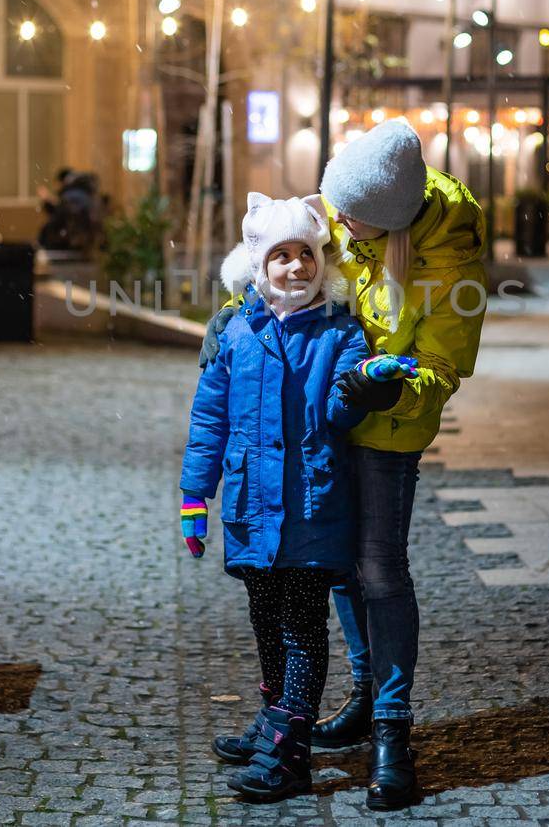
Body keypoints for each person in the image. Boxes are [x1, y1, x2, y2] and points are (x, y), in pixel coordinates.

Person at [199, 119, 489, 810]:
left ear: (386, 222)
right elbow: (280, 248)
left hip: (387, 425)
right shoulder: (350, 194)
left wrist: (396, 385)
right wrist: (236, 308)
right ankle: (350, 698)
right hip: (318, 415)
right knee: (333, 563)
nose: (337, 222)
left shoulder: (448, 253)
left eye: (348, 218)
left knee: (379, 568)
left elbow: (443, 363)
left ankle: (392, 727)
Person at [181, 192, 416, 803]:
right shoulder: (236, 331)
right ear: (259, 268)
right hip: (252, 510)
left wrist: (367, 385)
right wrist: (193, 497)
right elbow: (209, 421)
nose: (295, 268)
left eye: (305, 256)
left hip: (313, 509)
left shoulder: (340, 331)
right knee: (265, 620)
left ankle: (290, 748)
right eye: (281, 257)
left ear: (321, 264)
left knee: (302, 628)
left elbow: (339, 410)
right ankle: (275, 714)